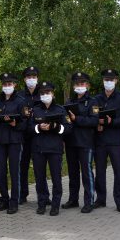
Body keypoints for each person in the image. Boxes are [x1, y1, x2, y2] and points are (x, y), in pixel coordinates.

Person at [29, 82, 72, 216]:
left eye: (47, 93)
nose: (45, 95)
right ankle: (42, 204)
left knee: (56, 179)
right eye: (42, 93)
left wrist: (55, 127)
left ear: (53, 94)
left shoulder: (60, 110)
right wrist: (38, 128)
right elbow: (28, 128)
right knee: (40, 178)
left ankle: (55, 205)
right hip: (38, 150)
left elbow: (69, 128)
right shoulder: (35, 110)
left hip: (55, 149)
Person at [94, 69, 120, 212]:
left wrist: (111, 122)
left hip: (116, 142)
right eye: (106, 80)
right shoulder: (96, 99)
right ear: (103, 81)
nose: (108, 82)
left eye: (111, 79)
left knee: (118, 172)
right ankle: (100, 199)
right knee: (100, 172)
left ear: (116, 81)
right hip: (100, 141)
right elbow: (92, 116)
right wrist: (97, 123)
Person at [62, 72, 99, 213]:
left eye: (82, 83)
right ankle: (73, 199)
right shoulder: (69, 102)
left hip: (86, 142)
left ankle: (89, 201)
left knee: (86, 172)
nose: (79, 86)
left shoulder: (93, 102)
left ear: (87, 85)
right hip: (71, 142)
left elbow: (94, 121)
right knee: (72, 173)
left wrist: (77, 119)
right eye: (77, 83)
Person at [0, 73, 26, 214]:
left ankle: (14, 201)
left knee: (14, 171)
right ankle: (4, 199)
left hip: (14, 141)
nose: (7, 87)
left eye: (9, 84)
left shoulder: (21, 101)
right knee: (0, 171)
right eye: (4, 84)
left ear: (15, 85)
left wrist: (15, 123)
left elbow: (25, 123)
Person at [17, 66, 50, 206]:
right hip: (23, 136)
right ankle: (22, 194)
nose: (31, 79)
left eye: (34, 76)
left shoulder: (43, 93)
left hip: (39, 135)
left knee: (40, 168)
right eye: (29, 76)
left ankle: (44, 196)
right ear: (24, 79)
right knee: (22, 166)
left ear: (37, 78)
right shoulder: (19, 95)